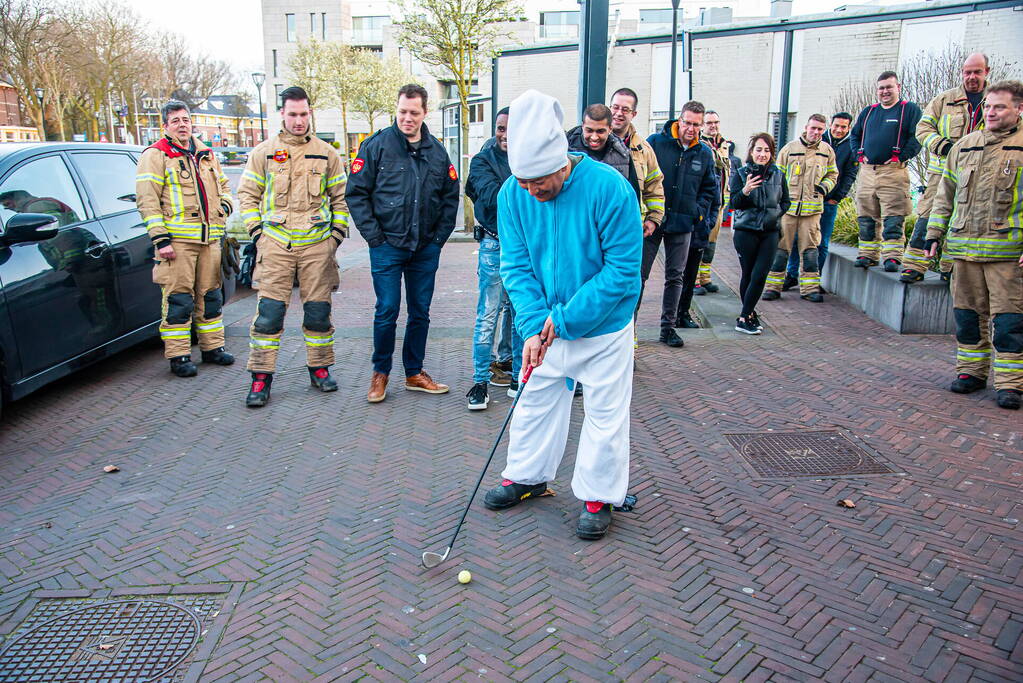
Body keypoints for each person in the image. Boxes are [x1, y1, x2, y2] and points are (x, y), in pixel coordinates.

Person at [481, 89, 641, 540]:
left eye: (540, 182)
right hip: (546, 326)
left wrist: (565, 319)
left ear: (560, 162)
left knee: (606, 413)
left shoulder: (611, 189)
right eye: (525, 182)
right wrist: (534, 325)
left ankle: (598, 494)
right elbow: (517, 265)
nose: (533, 192)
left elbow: (623, 274)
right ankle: (528, 476)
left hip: (603, 327)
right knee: (533, 400)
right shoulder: (513, 194)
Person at [347, 84, 461, 403]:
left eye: (413, 112)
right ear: (395, 110)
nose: (407, 118)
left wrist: (437, 240)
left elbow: (450, 198)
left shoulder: (437, 153)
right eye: (402, 112)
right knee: (387, 310)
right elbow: (356, 194)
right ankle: (380, 373)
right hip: (386, 245)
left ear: (425, 113)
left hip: (424, 248)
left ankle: (414, 372)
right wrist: (374, 237)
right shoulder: (376, 146)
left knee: (420, 312)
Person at [237, 86, 349, 406]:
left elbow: (341, 200)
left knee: (318, 312)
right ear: (282, 114)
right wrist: (258, 234)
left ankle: (320, 368)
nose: (299, 121)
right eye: (292, 114)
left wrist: (335, 238)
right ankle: (261, 378)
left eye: (303, 114)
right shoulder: (264, 152)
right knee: (269, 315)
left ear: (309, 113)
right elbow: (247, 196)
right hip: (276, 245)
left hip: (317, 246)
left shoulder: (327, 153)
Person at [925, 80, 1023, 411]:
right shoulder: (964, 146)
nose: (991, 112)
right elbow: (945, 195)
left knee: (1009, 322)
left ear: (1019, 109)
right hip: (963, 250)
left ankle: (1010, 383)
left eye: (1000, 107)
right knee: (967, 317)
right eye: (989, 106)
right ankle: (970, 373)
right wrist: (934, 234)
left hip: (1006, 254)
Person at [135, 99, 235, 378]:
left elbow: (224, 186)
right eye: (176, 120)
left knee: (211, 296)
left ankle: (212, 348)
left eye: (186, 119)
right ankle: (179, 356)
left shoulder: (206, 153)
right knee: (179, 300)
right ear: (165, 126)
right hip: (177, 244)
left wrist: (223, 208)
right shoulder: (156, 155)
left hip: (210, 240)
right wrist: (161, 239)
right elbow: (147, 200)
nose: (182, 125)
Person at [901, 52, 990, 284]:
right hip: (941, 173)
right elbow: (922, 129)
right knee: (927, 216)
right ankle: (914, 265)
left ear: (986, 72)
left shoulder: (994, 101)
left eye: (977, 72)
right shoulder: (944, 100)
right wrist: (942, 146)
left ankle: (948, 268)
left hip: (979, 175)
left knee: (962, 219)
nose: (971, 77)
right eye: (967, 72)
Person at [643, 100, 718, 347]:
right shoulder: (656, 143)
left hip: (683, 223)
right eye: (687, 122)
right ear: (679, 120)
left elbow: (710, 189)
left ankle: (668, 328)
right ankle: (628, 330)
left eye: (697, 124)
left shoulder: (704, 153)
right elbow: (642, 177)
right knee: (639, 275)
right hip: (654, 220)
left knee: (676, 277)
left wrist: (696, 213)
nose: (691, 128)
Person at [464, 107, 523, 410]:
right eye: (500, 128)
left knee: (518, 313)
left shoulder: (529, 159)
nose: (504, 135)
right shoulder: (482, 160)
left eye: (511, 129)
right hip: (495, 245)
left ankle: (517, 376)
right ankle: (479, 382)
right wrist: (526, 190)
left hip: (524, 248)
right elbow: (491, 197)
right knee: (487, 314)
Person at [849, 71, 923, 271]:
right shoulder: (868, 112)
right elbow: (854, 136)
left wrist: (902, 156)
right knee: (866, 216)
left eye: (889, 87)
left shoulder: (909, 110)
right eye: (881, 88)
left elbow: (917, 137)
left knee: (893, 217)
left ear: (898, 87)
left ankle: (892, 256)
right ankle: (867, 254)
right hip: (867, 172)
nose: (885, 91)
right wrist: (859, 155)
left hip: (893, 171)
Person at [763, 114, 838, 302]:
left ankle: (810, 290)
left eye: (820, 129)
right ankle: (773, 288)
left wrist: (823, 187)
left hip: (812, 213)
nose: (816, 132)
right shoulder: (789, 149)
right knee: (780, 251)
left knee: (810, 252)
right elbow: (776, 177)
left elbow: (833, 175)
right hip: (788, 211)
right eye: (813, 128)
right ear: (806, 127)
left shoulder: (827, 151)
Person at [783, 112, 858, 290]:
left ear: (848, 128)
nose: (839, 130)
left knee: (821, 243)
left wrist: (835, 197)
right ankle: (792, 275)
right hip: (802, 202)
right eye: (836, 125)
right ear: (830, 125)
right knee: (795, 240)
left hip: (828, 202)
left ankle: (814, 280)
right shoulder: (816, 140)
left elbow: (848, 175)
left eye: (843, 127)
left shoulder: (851, 146)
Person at [729, 133, 790, 334]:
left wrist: (775, 214)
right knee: (748, 274)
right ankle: (748, 315)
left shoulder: (778, 174)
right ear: (751, 151)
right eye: (758, 149)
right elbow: (734, 204)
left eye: (767, 150)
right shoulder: (740, 173)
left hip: (770, 232)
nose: (762, 154)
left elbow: (786, 201)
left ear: (772, 153)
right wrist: (746, 190)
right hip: (746, 231)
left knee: (761, 273)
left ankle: (744, 316)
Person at [608, 87, 665, 237]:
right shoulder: (593, 142)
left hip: (630, 229)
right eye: (615, 107)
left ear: (633, 114)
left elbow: (654, 185)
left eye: (625, 110)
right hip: (596, 228)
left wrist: (653, 218)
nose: (619, 113)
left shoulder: (644, 149)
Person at [694, 110, 732, 298]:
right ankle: (693, 279)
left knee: (711, 242)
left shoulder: (723, 145)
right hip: (704, 200)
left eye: (716, 122)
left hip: (719, 201)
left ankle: (705, 278)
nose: (713, 126)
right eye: (709, 123)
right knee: (698, 240)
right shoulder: (700, 145)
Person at [566, 103, 641, 198]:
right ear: (582, 126)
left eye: (600, 131)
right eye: (589, 130)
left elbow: (632, 195)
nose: (594, 137)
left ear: (610, 128)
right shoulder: (566, 152)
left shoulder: (623, 154)